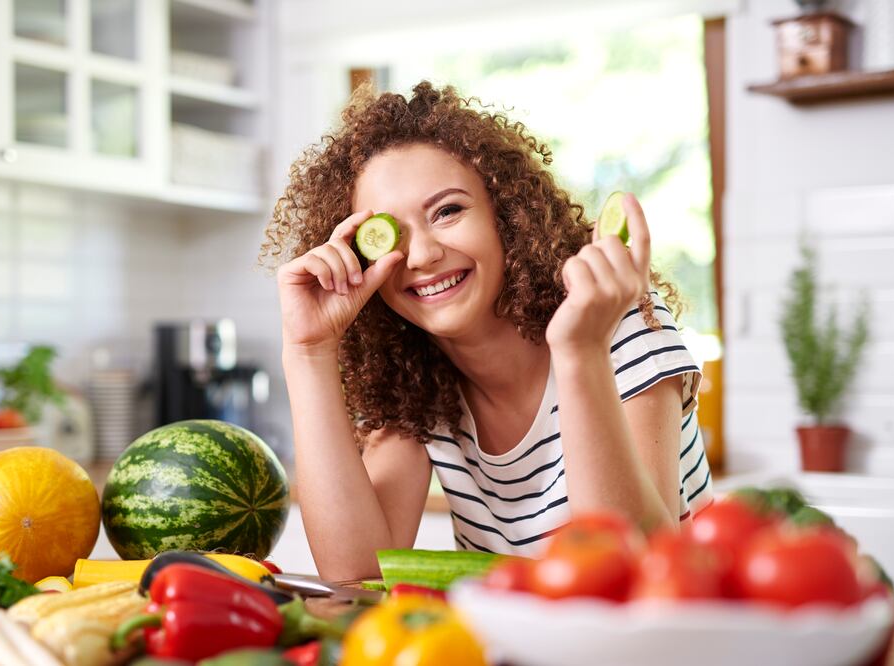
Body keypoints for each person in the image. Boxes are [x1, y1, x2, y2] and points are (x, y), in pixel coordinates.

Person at [261, 81, 713, 582]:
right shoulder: (417, 386)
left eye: (448, 212)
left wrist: (580, 351)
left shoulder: (617, 328)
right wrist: (308, 352)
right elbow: (356, 572)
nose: (423, 255)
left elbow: (633, 570)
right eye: (391, 233)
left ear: (507, 215)